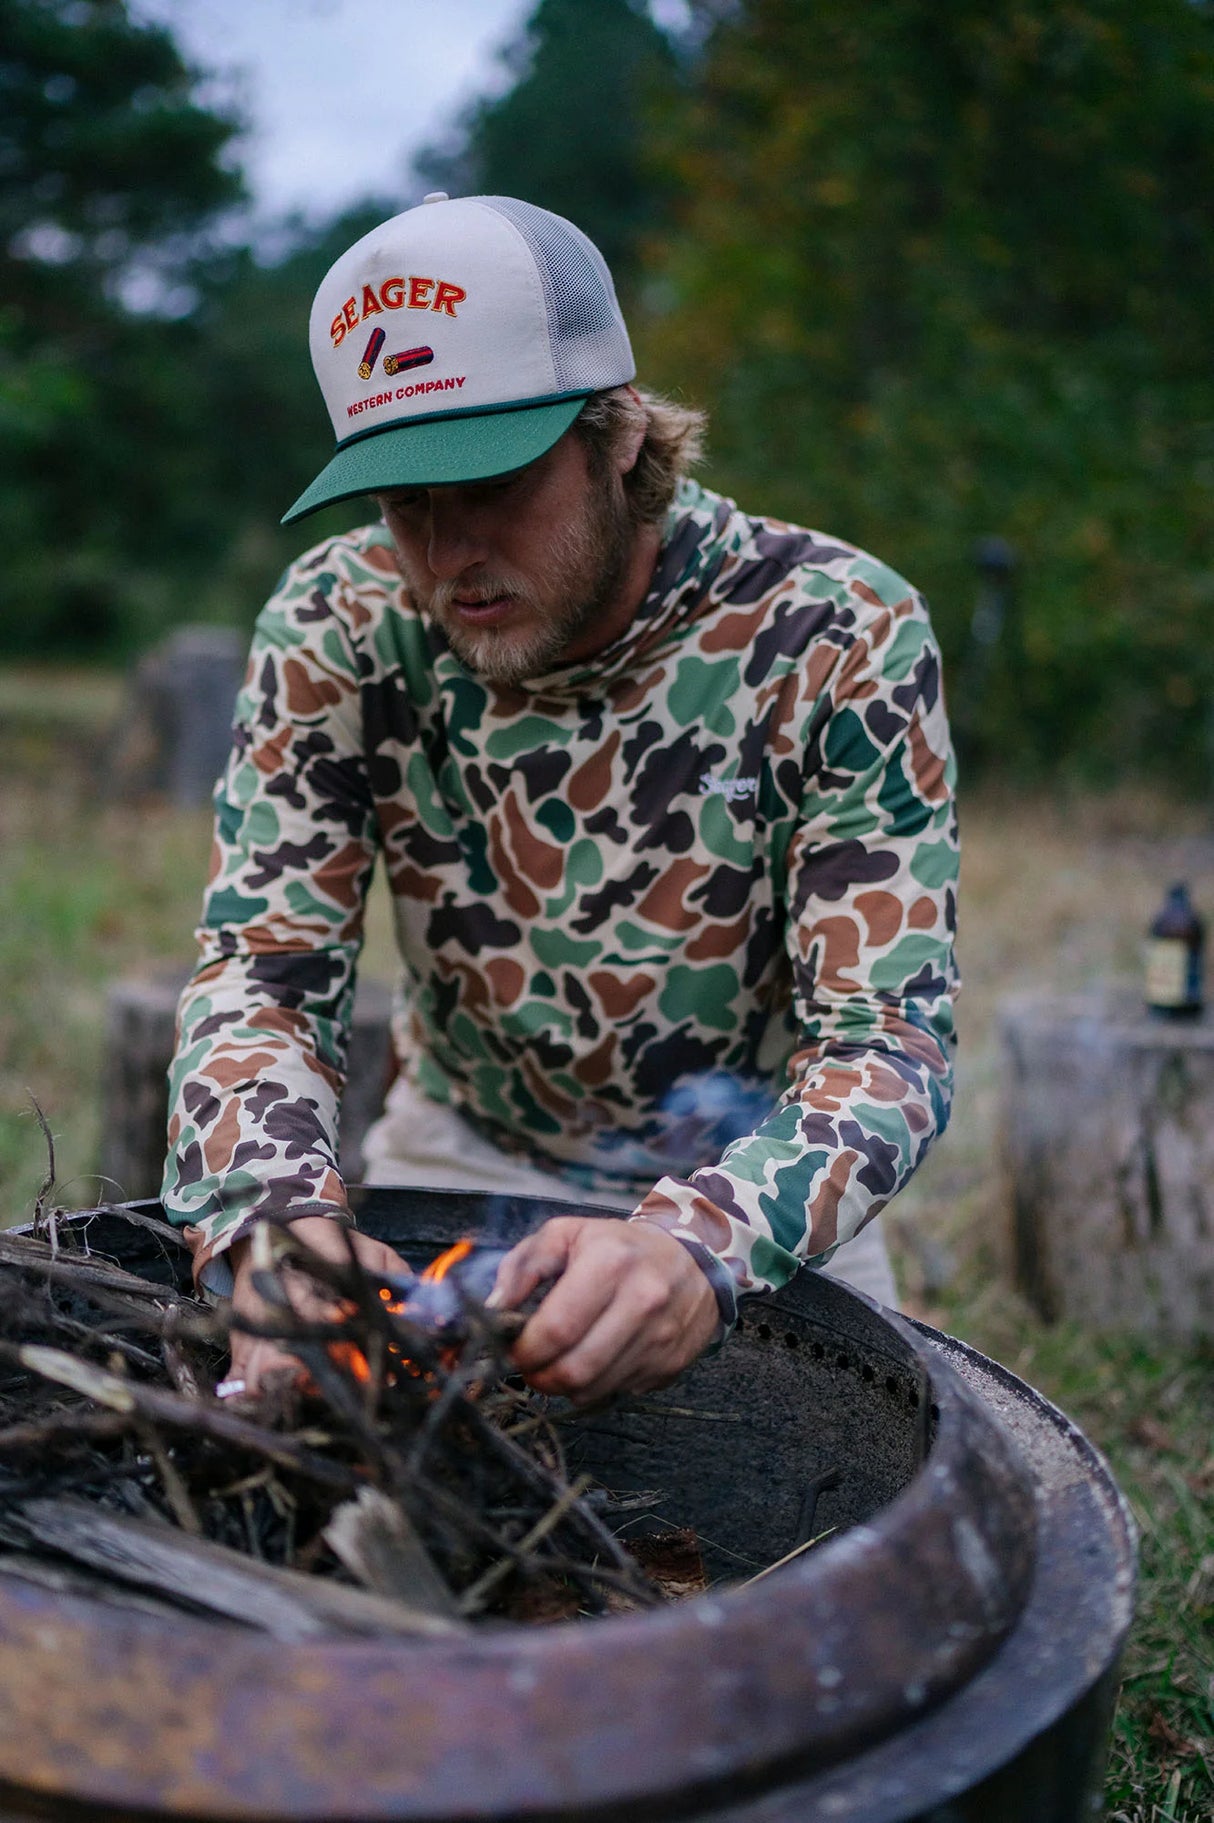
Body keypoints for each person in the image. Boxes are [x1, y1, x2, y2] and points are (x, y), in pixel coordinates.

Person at [162, 192, 959, 1402]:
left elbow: (884, 1037)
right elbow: (263, 971)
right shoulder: (338, 623)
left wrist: (700, 1240)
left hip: (756, 1168)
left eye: (489, 479)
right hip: (464, 1141)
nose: (446, 553)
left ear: (620, 430)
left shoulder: (834, 634)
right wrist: (270, 1210)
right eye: (405, 498)